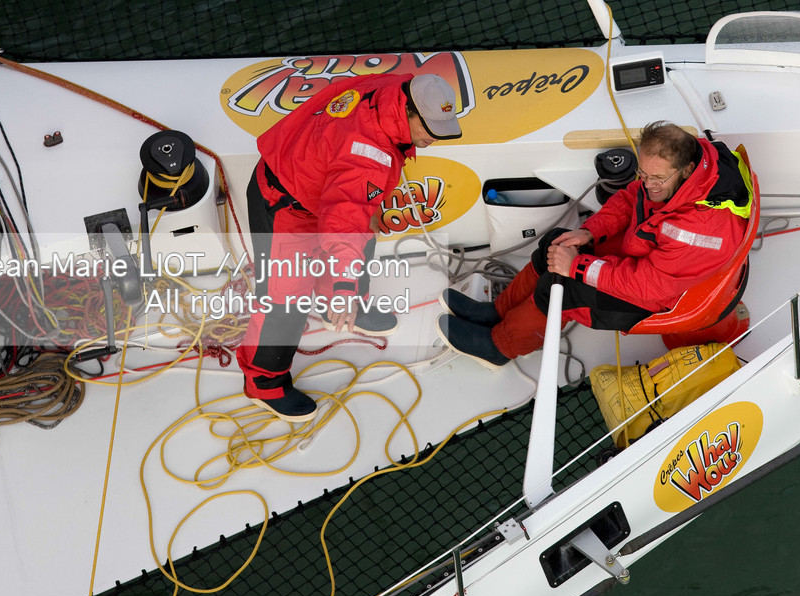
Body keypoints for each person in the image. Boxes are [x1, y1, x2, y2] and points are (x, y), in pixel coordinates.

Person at [242, 72, 462, 420]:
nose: (436, 137)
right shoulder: (369, 154)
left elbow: (348, 210)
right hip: (285, 202)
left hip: (318, 178)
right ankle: (264, 383)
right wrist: (344, 283)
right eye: (431, 129)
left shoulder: (396, 87)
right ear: (410, 112)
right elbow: (343, 224)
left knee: (365, 235)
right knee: (285, 298)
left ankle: (344, 309)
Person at [439, 121, 751, 365]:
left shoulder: (703, 228)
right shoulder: (675, 173)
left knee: (560, 289)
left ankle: (500, 347)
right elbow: (631, 198)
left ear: (686, 170)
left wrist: (576, 266)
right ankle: (499, 311)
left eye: (657, 180)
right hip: (645, 261)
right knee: (556, 243)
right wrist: (589, 232)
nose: (648, 185)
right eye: (643, 174)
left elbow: (649, 287)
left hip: (656, 297)